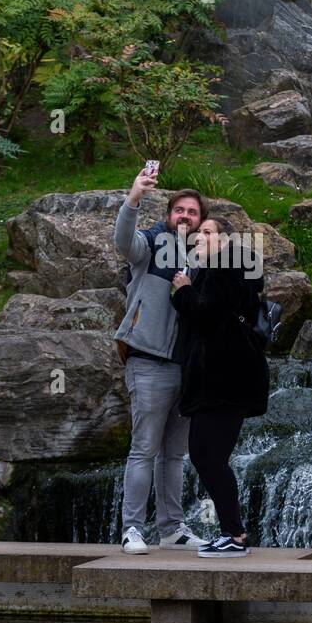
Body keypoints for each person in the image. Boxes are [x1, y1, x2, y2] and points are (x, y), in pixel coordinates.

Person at [113, 166, 211, 554]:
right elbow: (123, 242)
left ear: (201, 221)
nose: (185, 216)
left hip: (186, 367)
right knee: (144, 449)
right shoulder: (151, 244)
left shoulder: (204, 259)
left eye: (193, 212)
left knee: (174, 454)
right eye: (179, 211)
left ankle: (171, 528)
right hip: (148, 360)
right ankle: (132, 529)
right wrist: (133, 196)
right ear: (169, 215)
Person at [171, 217, 269, 558]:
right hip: (223, 381)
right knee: (205, 454)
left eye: (208, 233)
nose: (199, 238)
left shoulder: (224, 267)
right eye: (198, 235)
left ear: (225, 240)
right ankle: (231, 532)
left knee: (209, 456)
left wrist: (183, 288)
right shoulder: (227, 268)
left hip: (227, 380)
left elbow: (205, 313)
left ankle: (235, 534)